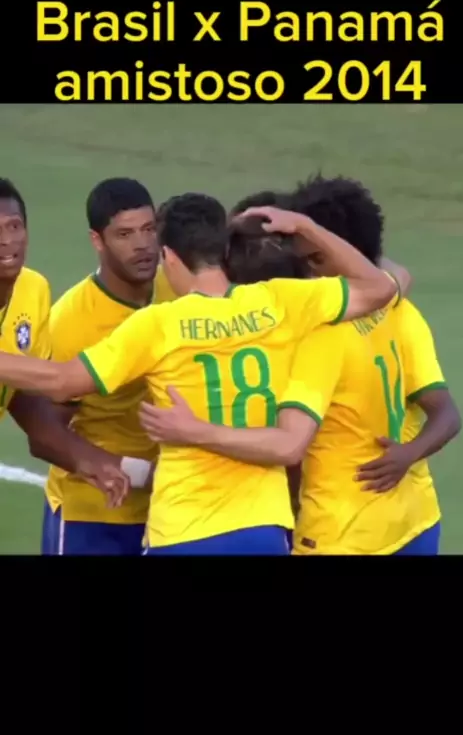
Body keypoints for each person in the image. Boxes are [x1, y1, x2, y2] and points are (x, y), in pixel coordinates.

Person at [0, 192, 401, 556]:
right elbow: (378, 287)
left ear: (169, 256)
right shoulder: (279, 302)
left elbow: (62, 381)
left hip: (185, 528)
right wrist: (305, 227)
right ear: (223, 249)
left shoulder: (158, 324)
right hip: (264, 528)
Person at [141, 180, 461, 556]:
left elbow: (290, 449)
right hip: (416, 520)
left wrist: (193, 432)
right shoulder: (398, 308)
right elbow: (391, 273)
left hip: (340, 534)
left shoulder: (313, 337)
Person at [41, 177, 176, 556]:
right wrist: (139, 473)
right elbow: (45, 432)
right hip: (94, 515)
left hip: (168, 513)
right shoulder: (71, 321)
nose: (143, 245)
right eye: (125, 234)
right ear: (97, 240)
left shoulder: (177, 288)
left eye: (149, 229)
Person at [0, 178, 135, 521]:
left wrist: (87, 459)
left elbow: (23, 397)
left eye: (14, 226)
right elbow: (53, 382)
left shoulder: (33, 289)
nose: (6, 240)